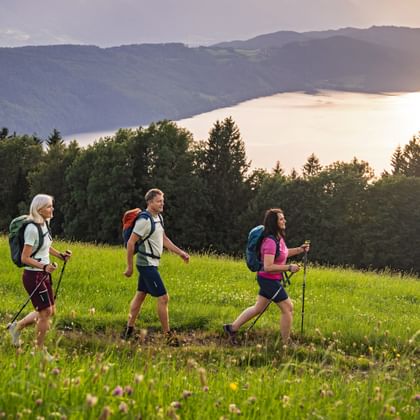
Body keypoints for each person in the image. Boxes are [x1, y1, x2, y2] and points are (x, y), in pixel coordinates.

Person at [223, 208, 310, 345]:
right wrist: (289, 267)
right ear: (274, 222)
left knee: (259, 308)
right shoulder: (270, 241)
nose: (284, 220)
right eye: (281, 219)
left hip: (271, 279)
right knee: (288, 308)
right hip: (268, 279)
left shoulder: (278, 238)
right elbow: (268, 267)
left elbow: (283, 254)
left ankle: (232, 328)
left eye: (283, 218)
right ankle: (286, 343)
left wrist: (299, 249)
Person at [8, 194, 72, 359]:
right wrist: (44, 266)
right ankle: (38, 350)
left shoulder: (44, 224)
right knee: (45, 312)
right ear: (39, 209)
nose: (52, 209)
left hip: (43, 274)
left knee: (49, 311)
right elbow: (25, 257)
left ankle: (16, 327)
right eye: (49, 206)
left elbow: (45, 246)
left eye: (52, 205)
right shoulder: (31, 229)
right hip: (33, 276)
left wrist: (60, 255)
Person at [122, 188, 190, 345]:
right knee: (164, 298)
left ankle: (128, 331)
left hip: (152, 263)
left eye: (162, 201)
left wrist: (181, 253)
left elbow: (164, 239)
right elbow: (131, 243)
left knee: (140, 296)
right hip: (146, 264)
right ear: (150, 202)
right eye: (159, 201)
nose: (162, 204)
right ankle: (168, 336)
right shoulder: (144, 221)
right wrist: (130, 267)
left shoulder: (158, 217)